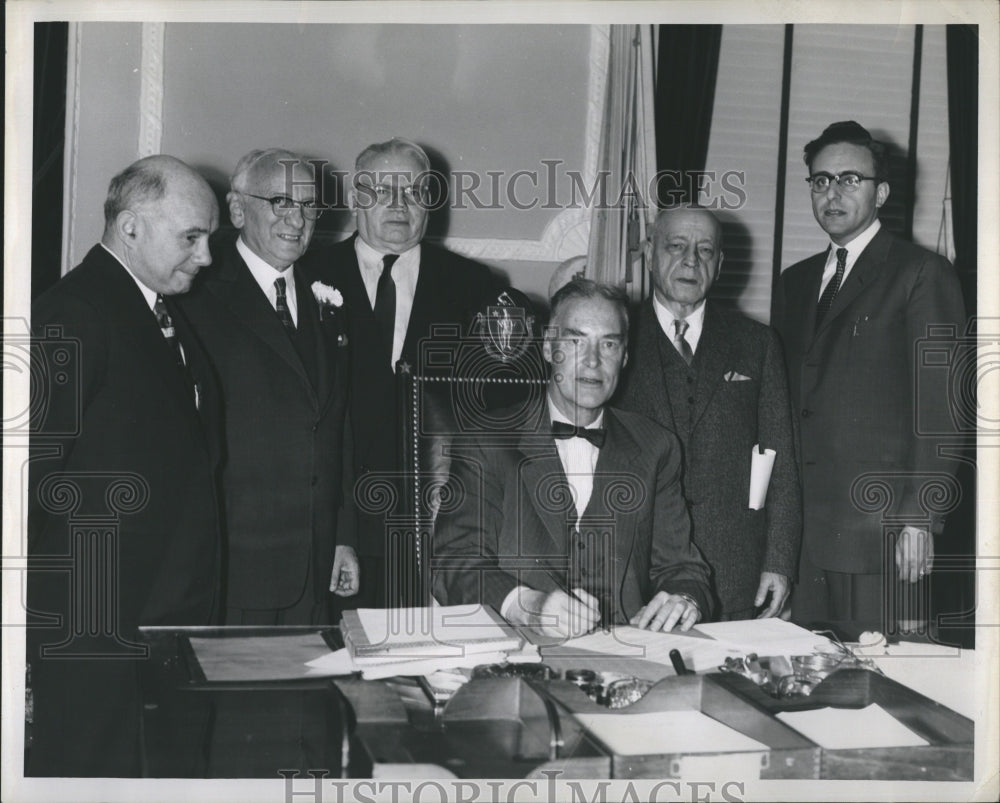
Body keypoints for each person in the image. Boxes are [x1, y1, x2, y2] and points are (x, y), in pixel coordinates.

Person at [27, 155, 221, 776]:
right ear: (132, 227)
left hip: (154, 614)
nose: (207, 256)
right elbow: (27, 476)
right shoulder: (75, 311)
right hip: (94, 623)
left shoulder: (157, 309)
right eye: (192, 237)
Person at [433, 278, 712, 637]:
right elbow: (453, 563)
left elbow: (682, 569)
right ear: (549, 347)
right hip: (515, 653)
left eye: (608, 344)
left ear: (624, 357)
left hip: (625, 656)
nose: (593, 361)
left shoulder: (656, 447)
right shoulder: (486, 440)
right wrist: (529, 606)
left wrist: (684, 600)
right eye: (576, 341)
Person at [772, 121, 966, 636]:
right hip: (808, 539)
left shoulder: (921, 274)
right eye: (820, 180)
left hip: (883, 538)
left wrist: (921, 520)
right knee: (810, 688)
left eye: (849, 179)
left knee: (885, 689)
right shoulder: (795, 282)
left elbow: (941, 410)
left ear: (880, 193)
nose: (831, 192)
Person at [307, 138, 499, 608]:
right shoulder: (307, 274)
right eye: (380, 191)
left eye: (413, 191)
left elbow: (492, 420)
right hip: (335, 528)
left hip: (438, 533)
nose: (398, 205)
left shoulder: (478, 288)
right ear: (355, 199)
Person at [177, 149, 358, 626]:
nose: (296, 220)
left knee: (304, 697)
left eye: (308, 206)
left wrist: (343, 536)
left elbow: (338, 427)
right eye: (281, 201)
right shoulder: (195, 295)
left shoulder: (329, 294)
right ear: (238, 210)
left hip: (315, 565)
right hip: (232, 565)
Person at [618, 206, 801, 620]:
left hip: (735, 570)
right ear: (649, 252)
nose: (690, 261)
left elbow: (782, 461)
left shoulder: (757, 343)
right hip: (634, 566)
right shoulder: (617, 335)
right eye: (676, 246)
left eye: (705, 250)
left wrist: (779, 562)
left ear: (720, 264)